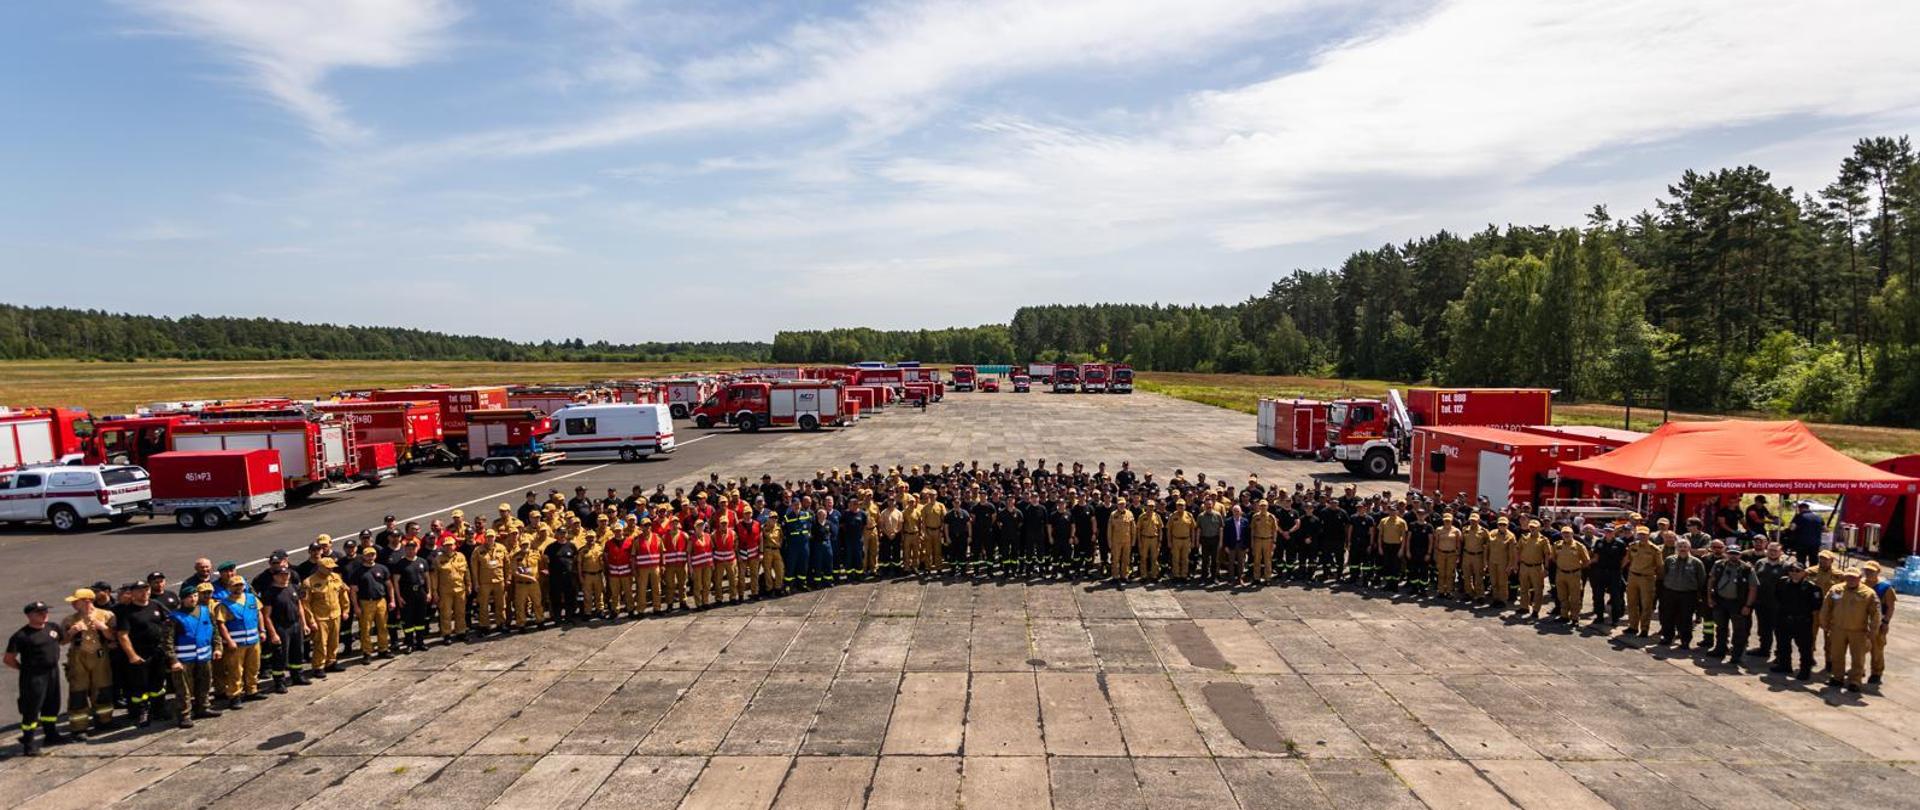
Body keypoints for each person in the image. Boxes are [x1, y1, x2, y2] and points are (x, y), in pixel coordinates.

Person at [7, 601, 68, 754]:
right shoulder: (21, 636)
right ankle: (28, 743)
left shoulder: (52, 627)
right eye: (39, 612)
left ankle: (51, 734)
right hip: (34, 676)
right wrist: (24, 669)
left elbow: (62, 641)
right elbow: (8, 658)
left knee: (52, 704)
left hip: (52, 672)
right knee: (32, 708)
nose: (44, 614)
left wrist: (72, 632)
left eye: (45, 611)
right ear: (29, 615)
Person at [59, 588, 115, 735]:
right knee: (78, 690)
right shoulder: (69, 620)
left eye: (75, 601)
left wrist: (103, 628)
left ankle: (105, 720)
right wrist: (72, 632)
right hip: (78, 657)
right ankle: (79, 727)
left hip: (100, 656)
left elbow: (115, 637)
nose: (73, 604)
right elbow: (62, 641)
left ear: (87, 601)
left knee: (103, 688)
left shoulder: (106, 615)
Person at [213, 575, 270, 708]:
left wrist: (262, 630)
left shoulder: (251, 598)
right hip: (236, 644)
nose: (238, 588)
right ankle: (235, 695)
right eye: (235, 585)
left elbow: (259, 614)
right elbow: (221, 624)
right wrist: (229, 641)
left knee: (253, 667)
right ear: (229, 588)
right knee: (235, 670)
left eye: (240, 585)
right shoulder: (224, 604)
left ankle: (252, 690)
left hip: (253, 640)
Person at [1820, 568, 1880, 692]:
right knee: (1836, 655)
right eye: (1849, 577)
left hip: (1858, 631)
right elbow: (1826, 607)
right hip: (1838, 629)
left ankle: (1855, 680)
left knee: (1858, 657)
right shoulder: (1836, 589)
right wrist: (1824, 623)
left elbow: (1875, 613)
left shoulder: (1868, 593)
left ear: (1859, 578)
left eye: (1854, 577)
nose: (1851, 580)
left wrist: (1873, 630)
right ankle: (1837, 677)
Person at [169, 584, 220, 726]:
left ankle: (203, 707)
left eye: (195, 596)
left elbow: (215, 631)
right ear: (183, 600)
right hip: (185, 659)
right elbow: (168, 642)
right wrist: (173, 660)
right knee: (184, 689)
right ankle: (184, 715)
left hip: (204, 656)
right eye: (190, 597)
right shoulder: (174, 617)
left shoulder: (205, 611)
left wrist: (218, 648)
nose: (193, 599)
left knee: (205, 683)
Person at [259, 566, 310, 690]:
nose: (285, 576)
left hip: (295, 625)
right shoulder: (270, 593)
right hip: (281, 627)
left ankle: (297, 675)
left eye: (287, 574)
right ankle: (279, 681)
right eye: (281, 575)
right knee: (280, 655)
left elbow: (299, 606)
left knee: (297, 652)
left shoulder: (293, 587)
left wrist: (304, 623)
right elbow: (266, 616)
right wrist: (273, 634)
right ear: (275, 576)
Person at [1771, 562, 1821, 680]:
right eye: (1792, 570)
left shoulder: (1811, 587)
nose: (1794, 573)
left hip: (1802, 622)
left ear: (1804, 573)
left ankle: (1804, 670)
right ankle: (1784, 665)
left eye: (1798, 571)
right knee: (1783, 644)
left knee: (1804, 648)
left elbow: (1817, 605)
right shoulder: (1782, 582)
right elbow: (1777, 596)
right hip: (1784, 619)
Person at [1707, 543, 1755, 665]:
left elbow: (1753, 588)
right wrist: (1710, 598)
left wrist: (1747, 606)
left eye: (1736, 554)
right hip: (1720, 601)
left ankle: (1737, 655)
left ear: (1740, 554)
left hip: (1738, 603)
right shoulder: (1719, 565)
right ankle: (1720, 649)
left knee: (1739, 630)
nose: (1733, 556)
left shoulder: (1747, 569)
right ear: (1726, 553)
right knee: (1721, 627)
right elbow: (1711, 581)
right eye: (1730, 553)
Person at [348, 546, 396, 657]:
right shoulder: (358, 572)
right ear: (363, 556)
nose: (370, 557)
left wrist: (392, 600)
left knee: (383, 626)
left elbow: (389, 586)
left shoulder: (382, 568)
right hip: (366, 603)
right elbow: (353, 591)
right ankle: (367, 652)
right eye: (368, 555)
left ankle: (383, 649)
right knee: (365, 629)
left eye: (372, 554)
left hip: (381, 601)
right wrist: (356, 606)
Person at [1658, 539, 1707, 646]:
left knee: (1685, 618)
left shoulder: (1696, 562)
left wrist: (1698, 595)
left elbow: (1701, 579)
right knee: (1668, 616)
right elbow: (1663, 575)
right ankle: (1667, 637)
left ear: (1689, 548)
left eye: (1685, 546)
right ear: (1676, 548)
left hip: (1688, 594)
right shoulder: (1669, 560)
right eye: (1680, 546)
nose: (1682, 549)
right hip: (1670, 593)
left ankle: (1685, 640)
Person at [1624, 527, 1664, 637]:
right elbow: (1628, 560)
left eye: (1644, 534)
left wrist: (1659, 579)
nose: (1642, 536)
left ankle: (1644, 628)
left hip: (1647, 578)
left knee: (1646, 604)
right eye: (1640, 534)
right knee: (1631, 602)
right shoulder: (1632, 546)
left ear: (1648, 535)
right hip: (1633, 577)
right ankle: (1633, 626)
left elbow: (1659, 566)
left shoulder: (1654, 549)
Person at [1863, 561, 1897, 686]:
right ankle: (1859, 669)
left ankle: (1876, 673)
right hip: (1861, 622)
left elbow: (1890, 607)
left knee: (1877, 648)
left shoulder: (1885, 587)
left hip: (1877, 623)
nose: (1868, 573)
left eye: (1872, 571)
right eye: (1866, 570)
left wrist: (1886, 622)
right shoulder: (1860, 583)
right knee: (1859, 648)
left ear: (1878, 572)